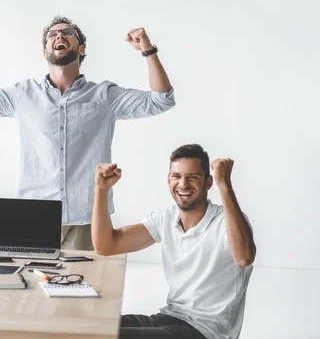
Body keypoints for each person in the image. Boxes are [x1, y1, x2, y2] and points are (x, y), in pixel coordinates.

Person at [0, 16, 175, 250]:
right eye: (53, 34)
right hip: (33, 214)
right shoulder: (23, 95)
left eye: (67, 33)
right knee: (25, 283)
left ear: (81, 49)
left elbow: (162, 100)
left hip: (88, 217)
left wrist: (148, 51)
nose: (59, 36)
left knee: (84, 284)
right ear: (45, 52)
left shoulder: (105, 96)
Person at [92, 144, 256, 339]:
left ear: (208, 182)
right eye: (177, 176)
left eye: (193, 177)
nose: (183, 184)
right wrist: (101, 190)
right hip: (169, 318)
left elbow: (244, 257)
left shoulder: (226, 221)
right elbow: (106, 246)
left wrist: (225, 184)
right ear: (169, 181)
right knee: (91, 327)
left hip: (204, 332)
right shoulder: (166, 219)